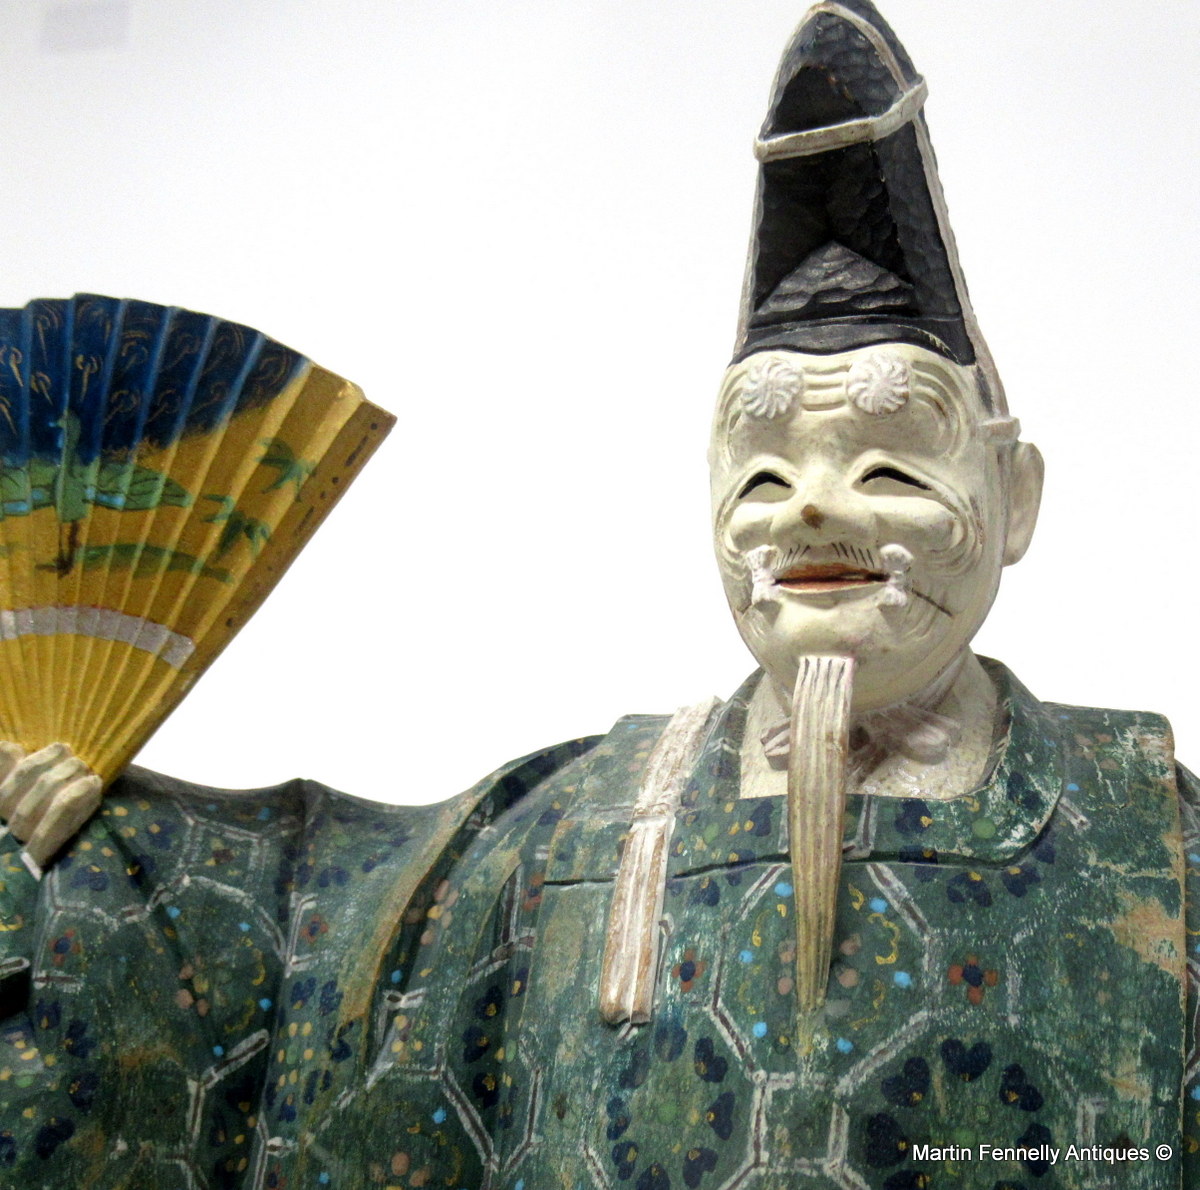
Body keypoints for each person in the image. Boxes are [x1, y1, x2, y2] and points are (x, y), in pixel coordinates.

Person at [0, 3, 1196, 1187]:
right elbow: (304, 943)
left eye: (888, 467)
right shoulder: (574, 833)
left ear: (1015, 497)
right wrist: (87, 854)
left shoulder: (1156, 844)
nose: (810, 510)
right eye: (762, 474)